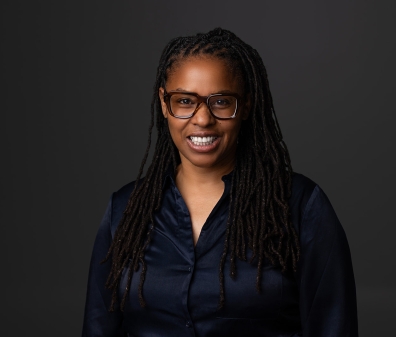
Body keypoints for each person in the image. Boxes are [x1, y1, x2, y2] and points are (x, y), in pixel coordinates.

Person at [82, 28, 358, 336]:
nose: (202, 119)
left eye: (222, 101)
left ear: (246, 105)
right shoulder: (125, 210)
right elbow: (98, 327)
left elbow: (333, 327)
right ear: (163, 103)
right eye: (185, 101)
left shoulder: (301, 207)